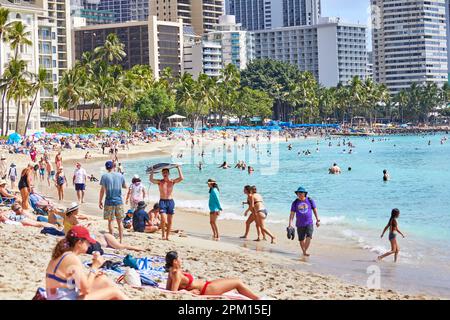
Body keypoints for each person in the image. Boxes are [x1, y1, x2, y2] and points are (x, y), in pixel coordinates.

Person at [45, 225, 128, 300]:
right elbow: (86, 290)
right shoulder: (72, 258)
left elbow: (75, 284)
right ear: (79, 243)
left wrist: (94, 274)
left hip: (58, 296)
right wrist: (94, 267)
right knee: (114, 292)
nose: (89, 245)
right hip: (63, 297)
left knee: (102, 280)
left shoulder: (63, 255)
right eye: (87, 242)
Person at [165, 251, 259, 299]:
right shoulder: (176, 273)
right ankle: (257, 299)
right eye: (179, 258)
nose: (181, 260)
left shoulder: (171, 271)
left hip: (207, 285)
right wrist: (190, 293)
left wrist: (185, 289)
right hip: (207, 290)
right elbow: (173, 292)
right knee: (237, 282)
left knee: (234, 280)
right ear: (175, 261)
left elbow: (168, 288)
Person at [149, 166, 184, 241]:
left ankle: (167, 236)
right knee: (163, 219)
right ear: (162, 174)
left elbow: (181, 178)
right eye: (163, 173)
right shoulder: (160, 182)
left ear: (168, 173)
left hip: (170, 202)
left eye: (166, 172)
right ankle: (163, 235)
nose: (165, 174)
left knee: (170, 221)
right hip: (162, 202)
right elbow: (151, 180)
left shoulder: (172, 181)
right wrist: (152, 171)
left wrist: (178, 168)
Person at [99, 160, 126, 243]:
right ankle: (121, 240)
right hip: (118, 200)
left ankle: (112, 240)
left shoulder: (104, 176)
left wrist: (100, 201)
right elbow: (125, 186)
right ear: (114, 166)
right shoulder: (120, 175)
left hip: (109, 201)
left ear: (106, 168)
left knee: (110, 221)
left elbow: (102, 190)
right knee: (120, 222)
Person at [288, 187, 320, 257]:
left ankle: (304, 250)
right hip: (299, 224)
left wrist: (318, 220)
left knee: (309, 236)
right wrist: (290, 224)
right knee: (301, 239)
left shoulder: (310, 200)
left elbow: (315, 210)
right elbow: (292, 214)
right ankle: (304, 252)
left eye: (301, 193)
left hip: (309, 223)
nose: (299, 194)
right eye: (298, 193)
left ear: (304, 193)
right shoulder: (295, 203)